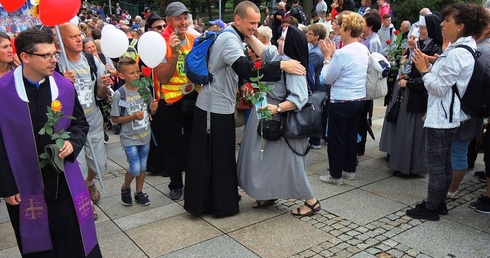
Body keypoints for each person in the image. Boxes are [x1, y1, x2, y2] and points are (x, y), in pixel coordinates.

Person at [184, 1, 306, 217]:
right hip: (213, 109)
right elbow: (246, 67)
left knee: (221, 156)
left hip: (221, 107)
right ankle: (215, 204)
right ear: (238, 19)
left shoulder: (235, 36)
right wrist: (281, 65)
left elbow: (236, 70)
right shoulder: (230, 39)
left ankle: (221, 200)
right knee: (215, 157)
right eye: (251, 23)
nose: (255, 28)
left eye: (257, 23)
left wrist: (240, 85)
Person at [0, 28, 101, 257]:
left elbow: (79, 125)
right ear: (25, 57)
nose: (53, 60)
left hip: (62, 180)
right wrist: (6, 185)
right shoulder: (3, 92)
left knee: (74, 240)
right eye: (46, 55)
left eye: (54, 53)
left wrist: (72, 143)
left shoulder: (63, 87)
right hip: (23, 185)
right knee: (38, 245)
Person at [406, 3, 489, 221]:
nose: (441, 24)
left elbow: (439, 88)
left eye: (447, 21)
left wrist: (424, 71)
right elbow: (447, 81)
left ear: (460, 26)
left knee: (436, 166)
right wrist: (432, 64)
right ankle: (438, 203)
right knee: (442, 164)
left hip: (442, 117)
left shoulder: (458, 53)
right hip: (448, 115)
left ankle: (432, 208)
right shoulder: (463, 47)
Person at [238, 25, 321, 217]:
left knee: (291, 165)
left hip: (282, 124)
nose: (278, 41)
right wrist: (246, 33)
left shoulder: (294, 67)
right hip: (271, 118)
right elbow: (264, 51)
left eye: (282, 38)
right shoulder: (281, 60)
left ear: (290, 44)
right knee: (266, 160)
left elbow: (298, 98)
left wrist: (276, 108)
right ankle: (269, 193)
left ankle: (311, 201)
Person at [58, 23, 112, 220]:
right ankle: (85, 204)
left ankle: (90, 183)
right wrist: (61, 82)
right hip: (71, 127)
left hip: (94, 122)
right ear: (61, 41)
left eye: (79, 35)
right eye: (72, 37)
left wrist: (104, 86)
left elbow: (99, 93)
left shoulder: (91, 60)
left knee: (100, 165)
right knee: (77, 168)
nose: (79, 39)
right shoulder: (57, 64)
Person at [319, 11, 369, 185]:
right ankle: (349, 170)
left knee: (336, 138)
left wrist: (327, 59)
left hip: (341, 101)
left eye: (340, 26)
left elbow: (327, 78)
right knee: (350, 135)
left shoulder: (342, 53)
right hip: (359, 99)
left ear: (347, 29)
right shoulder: (363, 48)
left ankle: (335, 175)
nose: (338, 29)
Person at [153, 2, 197, 200]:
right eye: (178, 18)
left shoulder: (192, 37)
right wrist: (175, 54)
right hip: (170, 102)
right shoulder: (161, 43)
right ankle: (176, 184)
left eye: (185, 17)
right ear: (168, 20)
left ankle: (194, 181)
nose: (183, 22)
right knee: (172, 146)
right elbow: (162, 77)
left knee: (191, 141)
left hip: (191, 97)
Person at [448, 13, 490, 201]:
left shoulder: (480, 51)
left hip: (464, 109)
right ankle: (451, 187)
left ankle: (451, 188)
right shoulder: (478, 49)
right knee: (460, 148)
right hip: (474, 110)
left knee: (457, 149)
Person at [111, 57, 158, 206]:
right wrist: (132, 117)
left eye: (137, 72)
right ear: (122, 76)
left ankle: (139, 192)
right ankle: (126, 188)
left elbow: (150, 111)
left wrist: (153, 109)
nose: (137, 76)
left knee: (143, 166)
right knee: (135, 167)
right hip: (129, 137)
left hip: (145, 135)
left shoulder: (144, 89)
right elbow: (114, 119)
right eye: (132, 73)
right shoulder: (120, 94)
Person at [306, 23, 328, 149]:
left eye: (310, 33)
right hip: (320, 85)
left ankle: (316, 140)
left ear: (317, 36)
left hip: (318, 86)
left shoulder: (316, 53)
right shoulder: (315, 49)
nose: (307, 35)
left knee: (317, 112)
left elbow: (308, 69)